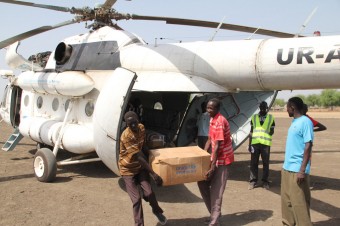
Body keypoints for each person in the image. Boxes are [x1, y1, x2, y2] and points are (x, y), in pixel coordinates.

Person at [119, 111, 167, 226]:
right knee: (136, 200)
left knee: (149, 193)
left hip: (140, 168)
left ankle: (157, 211)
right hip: (128, 170)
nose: (134, 125)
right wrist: (153, 174)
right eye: (130, 124)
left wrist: (153, 156)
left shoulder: (141, 128)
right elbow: (138, 156)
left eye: (135, 122)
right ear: (126, 124)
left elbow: (143, 146)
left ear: (138, 120)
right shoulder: (126, 136)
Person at [197, 98, 234, 226]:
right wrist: (202, 153)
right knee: (202, 182)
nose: (208, 110)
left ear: (217, 109)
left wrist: (212, 166)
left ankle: (214, 222)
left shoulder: (220, 121)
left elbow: (217, 146)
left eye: (211, 108)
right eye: (207, 107)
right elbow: (209, 139)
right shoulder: (212, 119)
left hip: (223, 160)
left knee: (216, 191)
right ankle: (214, 215)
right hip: (215, 158)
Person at [281, 97, 314, 226]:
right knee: (287, 202)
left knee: (299, 203)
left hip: (297, 170)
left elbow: (308, 145)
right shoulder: (295, 121)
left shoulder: (305, 121)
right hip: (287, 168)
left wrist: (302, 170)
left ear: (293, 107)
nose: (286, 110)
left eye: (287, 107)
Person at [248, 101, 275, 190]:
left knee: (265, 163)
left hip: (265, 144)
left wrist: (265, 131)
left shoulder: (271, 118)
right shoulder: (254, 117)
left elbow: (272, 131)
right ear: (259, 108)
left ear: (267, 108)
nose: (263, 109)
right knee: (253, 163)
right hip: (255, 144)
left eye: (264, 108)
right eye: (261, 107)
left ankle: (265, 181)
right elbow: (251, 132)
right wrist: (249, 144)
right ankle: (253, 181)